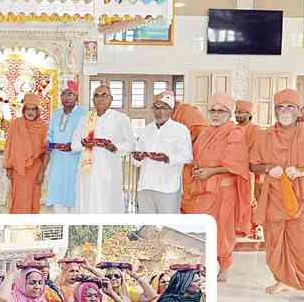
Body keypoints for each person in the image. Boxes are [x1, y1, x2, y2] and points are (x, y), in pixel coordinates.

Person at [249, 89, 304, 302]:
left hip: (300, 198)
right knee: (274, 244)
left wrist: (302, 171)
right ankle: (282, 280)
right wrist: (268, 168)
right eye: (280, 107)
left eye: (290, 107)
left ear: (299, 110)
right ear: (275, 111)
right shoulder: (265, 136)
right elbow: (253, 165)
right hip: (273, 198)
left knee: (302, 245)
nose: (284, 111)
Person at [181, 93, 251, 282]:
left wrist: (211, 172)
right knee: (202, 226)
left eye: (221, 111)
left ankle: (224, 266)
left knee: (222, 228)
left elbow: (236, 164)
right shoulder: (205, 132)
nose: (216, 114)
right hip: (202, 188)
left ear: (229, 114)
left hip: (222, 191)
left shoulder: (234, 133)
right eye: (212, 110)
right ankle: (204, 265)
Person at [72, 85, 135, 213]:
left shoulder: (120, 118)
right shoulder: (85, 118)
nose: (100, 99)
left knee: (108, 206)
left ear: (111, 99)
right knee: (87, 205)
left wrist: (114, 148)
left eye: (104, 95)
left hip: (108, 172)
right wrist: (84, 143)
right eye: (97, 95)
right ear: (93, 100)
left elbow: (131, 144)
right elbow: (74, 145)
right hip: (87, 173)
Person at [132, 91, 193, 214]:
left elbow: (187, 156)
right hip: (146, 185)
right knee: (147, 223)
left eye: (164, 108)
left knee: (168, 224)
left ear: (171, 110)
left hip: (168, 187)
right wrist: (137, 158)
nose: (159, 112)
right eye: (156, 108)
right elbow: (136, 158)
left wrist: (168, 158)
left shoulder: (181, 130)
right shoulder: (146, 130)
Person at [44, 81, 85, 213]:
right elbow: (50, 134)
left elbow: (88, 136)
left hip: (76, 160)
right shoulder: (56, 114)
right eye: (63, 94)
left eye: (70, 94)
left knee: (75, 195)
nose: (66, 97)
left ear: (77, 96)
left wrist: (74, 146)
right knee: (57, 193)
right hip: (57, 160)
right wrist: (48, 142)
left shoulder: (84, 114)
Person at [4, 93, 49, 214]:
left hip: (35, 170)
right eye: (27, 109)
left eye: (33, 109)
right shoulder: (16, 124)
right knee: (19, 200)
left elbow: (46, 152)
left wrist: (42, 173)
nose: (30, 112)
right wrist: (8, 168)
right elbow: (9, 146)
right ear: (23, 110)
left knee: (33, 199)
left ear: (37, 111)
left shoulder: (43, 127)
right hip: (19, 170)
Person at [234, 100, 263, 239]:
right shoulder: (232, 128)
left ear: (249, 114)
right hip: (233, 169)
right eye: (236, 112)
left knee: (249, 199)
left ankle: (254, 227)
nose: (238, 115)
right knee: (235, 199)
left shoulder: (255, 130)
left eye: (241, 113)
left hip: (248, 169)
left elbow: (258, 149)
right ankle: (238, 226)